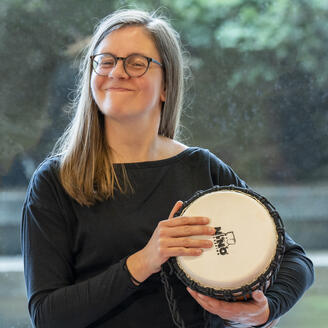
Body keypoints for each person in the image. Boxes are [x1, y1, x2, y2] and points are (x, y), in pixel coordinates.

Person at [21, 9, 314, 328]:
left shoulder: (203, 168)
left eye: (136, 63)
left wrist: (265, 311)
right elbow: (47, 316)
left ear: (166, 86)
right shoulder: (54, 182)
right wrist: (144, 261)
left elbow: (295, 261)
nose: (117, 72)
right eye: (105, 61)